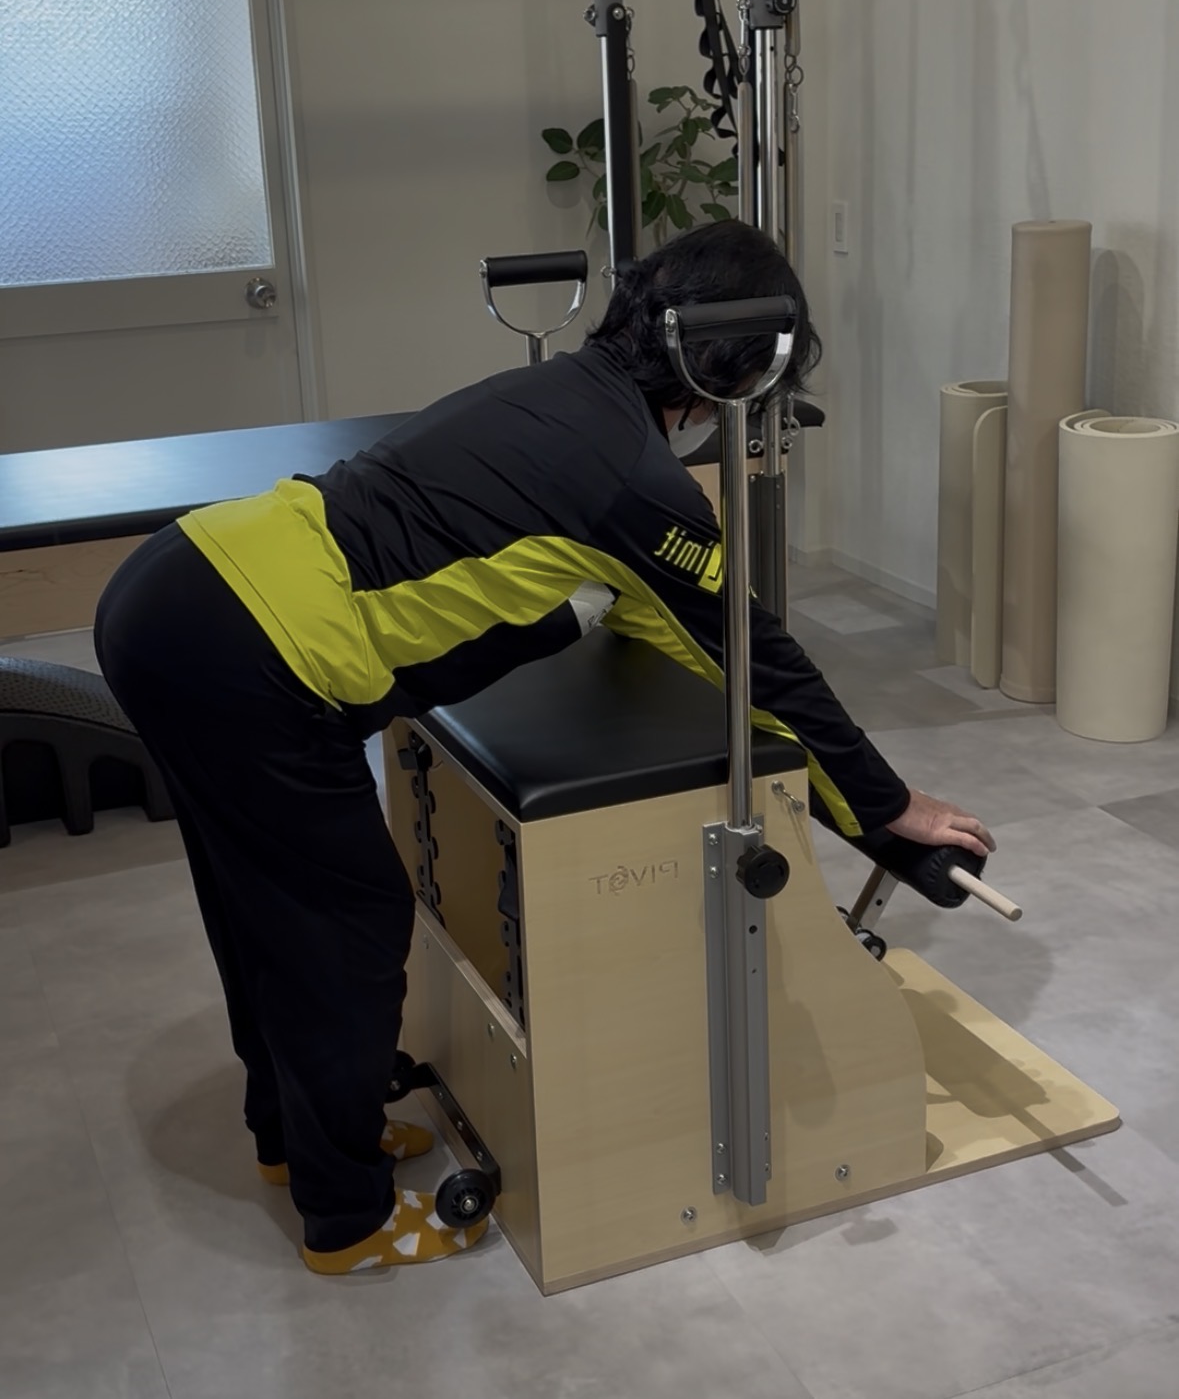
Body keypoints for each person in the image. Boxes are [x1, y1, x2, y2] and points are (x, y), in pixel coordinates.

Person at [95, 219, 993, 1276]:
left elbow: (658, 617)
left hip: (186, 585)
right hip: (248, 654)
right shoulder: (636, 479)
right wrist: (887, 806)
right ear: (730, 369)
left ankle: (298, 1142)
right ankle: (349, 1220)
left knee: (265, 909)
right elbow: (756, 657)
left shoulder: (561, 392)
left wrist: (845, 797)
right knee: (343, 925)